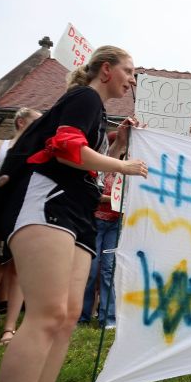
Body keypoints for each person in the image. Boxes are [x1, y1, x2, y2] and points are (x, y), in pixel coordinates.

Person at [0, 45, 149, 382]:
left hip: (80, 215)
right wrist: (125, 166)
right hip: (51, 203)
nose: (132, 80)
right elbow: (66, 150)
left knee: (65, 318)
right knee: (46, 315)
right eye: (129, 71)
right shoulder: (85, 97)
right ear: (107, 69)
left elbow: (89, 167)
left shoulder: (98, 115)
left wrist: (118, 148)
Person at [0, 107, 42, 344]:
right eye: (35, 122)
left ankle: (5, 305)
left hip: (19, 207)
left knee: (12, 260)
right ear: (21, 122)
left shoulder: (35, 150)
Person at [78, 132, 121, 329]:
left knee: (107, 270)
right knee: (91, 269)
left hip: (114, 224)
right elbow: (92, 194)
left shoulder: (123, 171)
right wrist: (113, 199)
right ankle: (82, 315)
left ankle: (108, 318)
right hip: (96, 223)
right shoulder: (100, 169)